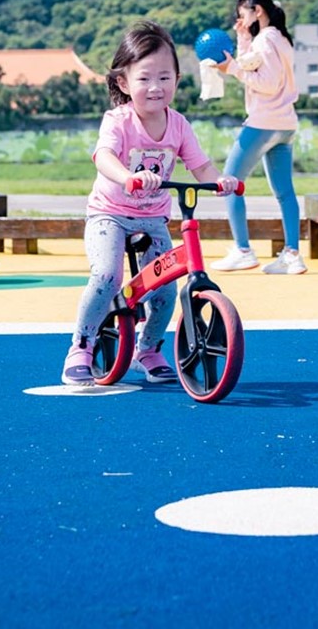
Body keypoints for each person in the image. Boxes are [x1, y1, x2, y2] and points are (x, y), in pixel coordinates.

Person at [61, 21, 238, 386]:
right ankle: (81, 345)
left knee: (167, 288)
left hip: (153, 217)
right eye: (144, 79)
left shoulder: (178, 125)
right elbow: (104, 155)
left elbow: (200, 165)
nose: (155, 87)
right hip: (109, 214)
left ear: (177, 78)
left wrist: (220, 180)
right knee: (107, 276)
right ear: (124, 83)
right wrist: (127, 176)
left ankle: (149, 348)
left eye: (164, 77)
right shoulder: (119, 120)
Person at [210, 0, 306, 275]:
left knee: (229, 182)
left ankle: (243, 250)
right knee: (284, 192)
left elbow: (266, 82)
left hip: (264, 121)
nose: (241, 19)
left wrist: (232, 71)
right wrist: (242, 38)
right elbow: (251, 63)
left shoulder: (266, 39)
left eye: (244, 14)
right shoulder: (279, 38)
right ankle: (292, 255)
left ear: (258, 11)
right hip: (286, 124)